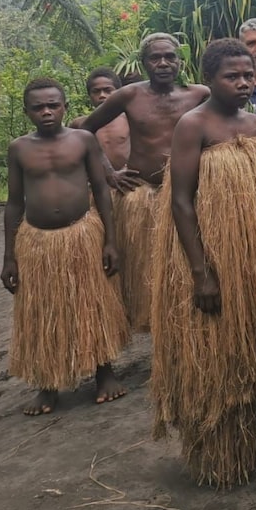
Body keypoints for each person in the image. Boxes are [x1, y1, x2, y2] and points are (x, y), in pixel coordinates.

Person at [150, 38, 256, 486]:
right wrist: (201, 271)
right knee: (219, 351)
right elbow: (180, 201)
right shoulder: (193, 125)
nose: (243, 83)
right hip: (214, 256)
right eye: (232, 76)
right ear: (209, 78)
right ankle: (222, 456)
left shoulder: (255, 123)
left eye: (248, 75)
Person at [2, 78, 128, 415]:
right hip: (37, 240)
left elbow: (101, 191)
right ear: (27, 112)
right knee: (43, 310)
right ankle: (48, 383)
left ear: (65, 107)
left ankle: (104, 372)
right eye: (38, 107)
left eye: (52, 105)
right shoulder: (19, 148)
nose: (46, 112)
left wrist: (110, 240)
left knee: (92, 302)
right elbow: (14, 203)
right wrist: (9, 256)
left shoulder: (83, 139)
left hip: (82, 233)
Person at [80, 34, 209, 332]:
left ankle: (188, 325)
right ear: (144, 63)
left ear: (181, 60)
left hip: (189, 194)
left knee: (186, 264)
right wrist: (109, 172)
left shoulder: (199, 94)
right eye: (155, 58)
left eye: (170, 57)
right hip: (144, 194)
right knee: (148, 270)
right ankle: (152, 325)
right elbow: (86, 130)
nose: (163, 63)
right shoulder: (129, 96)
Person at [70, 67, 130, 171]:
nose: (102, 95)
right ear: (89, 95)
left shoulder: (129, 119)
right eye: (96, 91)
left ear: (118, 92)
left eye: (108, 90)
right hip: (96, 183)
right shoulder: (79, 124)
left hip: (130, 179)